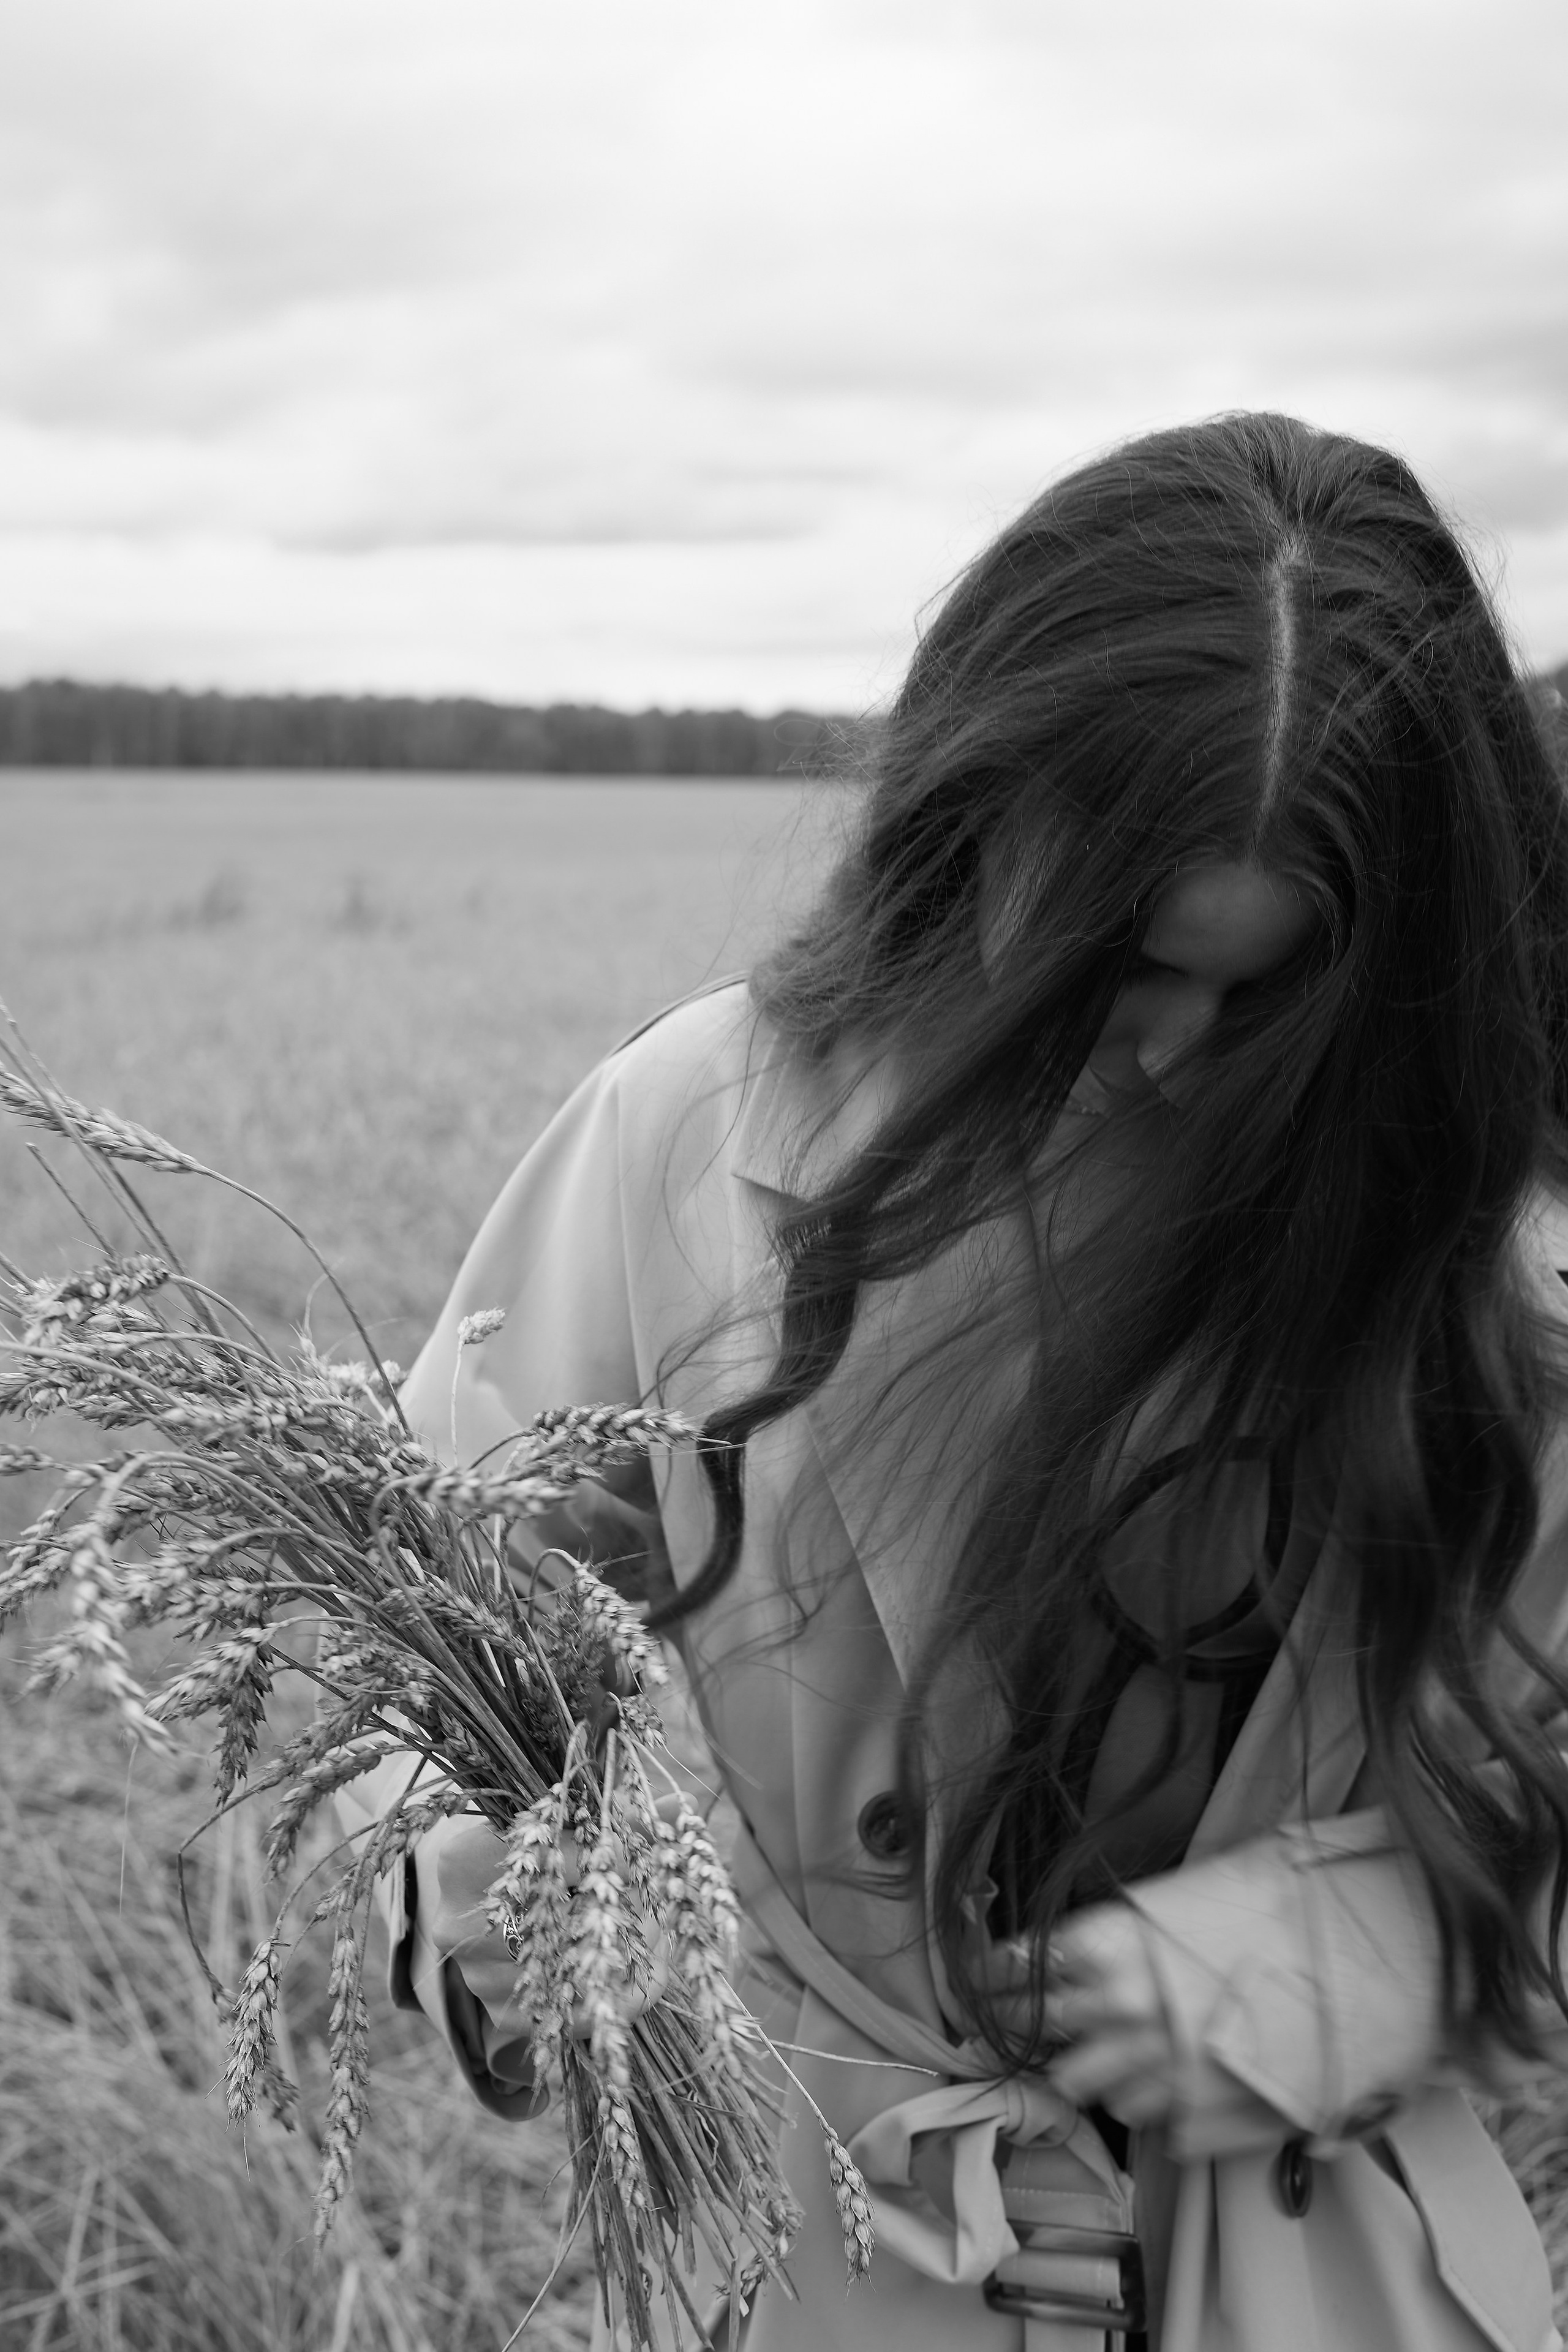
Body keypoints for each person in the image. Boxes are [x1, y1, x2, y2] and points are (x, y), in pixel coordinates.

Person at [347, 413, 1568, 2351]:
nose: (1166, 1052)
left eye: (1268, 991)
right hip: (822, 2263)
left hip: (1315, 2274)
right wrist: (483, 1881)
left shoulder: (1480, 1260)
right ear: (965, 818)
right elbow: (415, 1623)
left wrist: (1290, 1981)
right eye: (1108, 959)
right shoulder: (688, 1134)